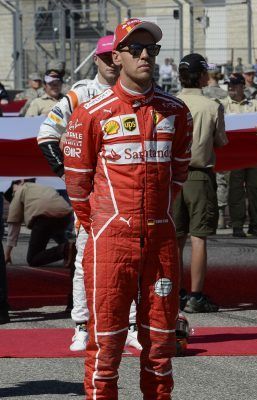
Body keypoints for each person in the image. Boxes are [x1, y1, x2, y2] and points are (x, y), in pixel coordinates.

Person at [63, 17, 192, 398]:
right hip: (110, 240)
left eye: (151, 49)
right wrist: (102, 225)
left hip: (160, 239)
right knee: (106, 346)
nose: (145, 55)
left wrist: (155, 216)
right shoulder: (91, 112)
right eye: (135, 48)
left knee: (161, 347)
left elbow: (179, 174)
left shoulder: (176, 111)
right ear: (116, 57)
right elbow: (77, 183)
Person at [36, 34, 142, 352]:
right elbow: (46, 133)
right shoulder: (81, 93)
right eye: (105, 57)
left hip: (126, 192)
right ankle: (82, 326)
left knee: (130, 261)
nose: (111, 63)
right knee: (84, 260)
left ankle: (132, 325)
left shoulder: (136, 91)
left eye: (115, 56)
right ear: (96, 59)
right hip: (93, 196)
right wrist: (70, 177)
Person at [174, 53, 229, 313]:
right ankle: (196, 296)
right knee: (198, 237)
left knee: (175, 238)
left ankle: (173, 292)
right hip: (199, 175)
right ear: (203, 76)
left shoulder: (170, 102)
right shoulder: (212, 106)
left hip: (172, 175)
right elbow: (220, 141)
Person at [220, 73, 257, 238]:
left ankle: (256, 224)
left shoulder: (255, 105)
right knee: (235, 192)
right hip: (233, 158)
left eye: (234, 84)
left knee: (255, 190)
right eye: (229, 84)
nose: (230, 87)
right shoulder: (222, 105)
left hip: (253, 157)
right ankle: (237, 225)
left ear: (242, 86)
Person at [3, 180, 72, 267]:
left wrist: (7, 254)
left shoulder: (17, 192)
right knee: (55, 230)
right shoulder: (41, 187)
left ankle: (66, 249)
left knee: (33, 259)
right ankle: (72, 249)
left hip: (43, 218)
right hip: (66, 215)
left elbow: (14, 225)